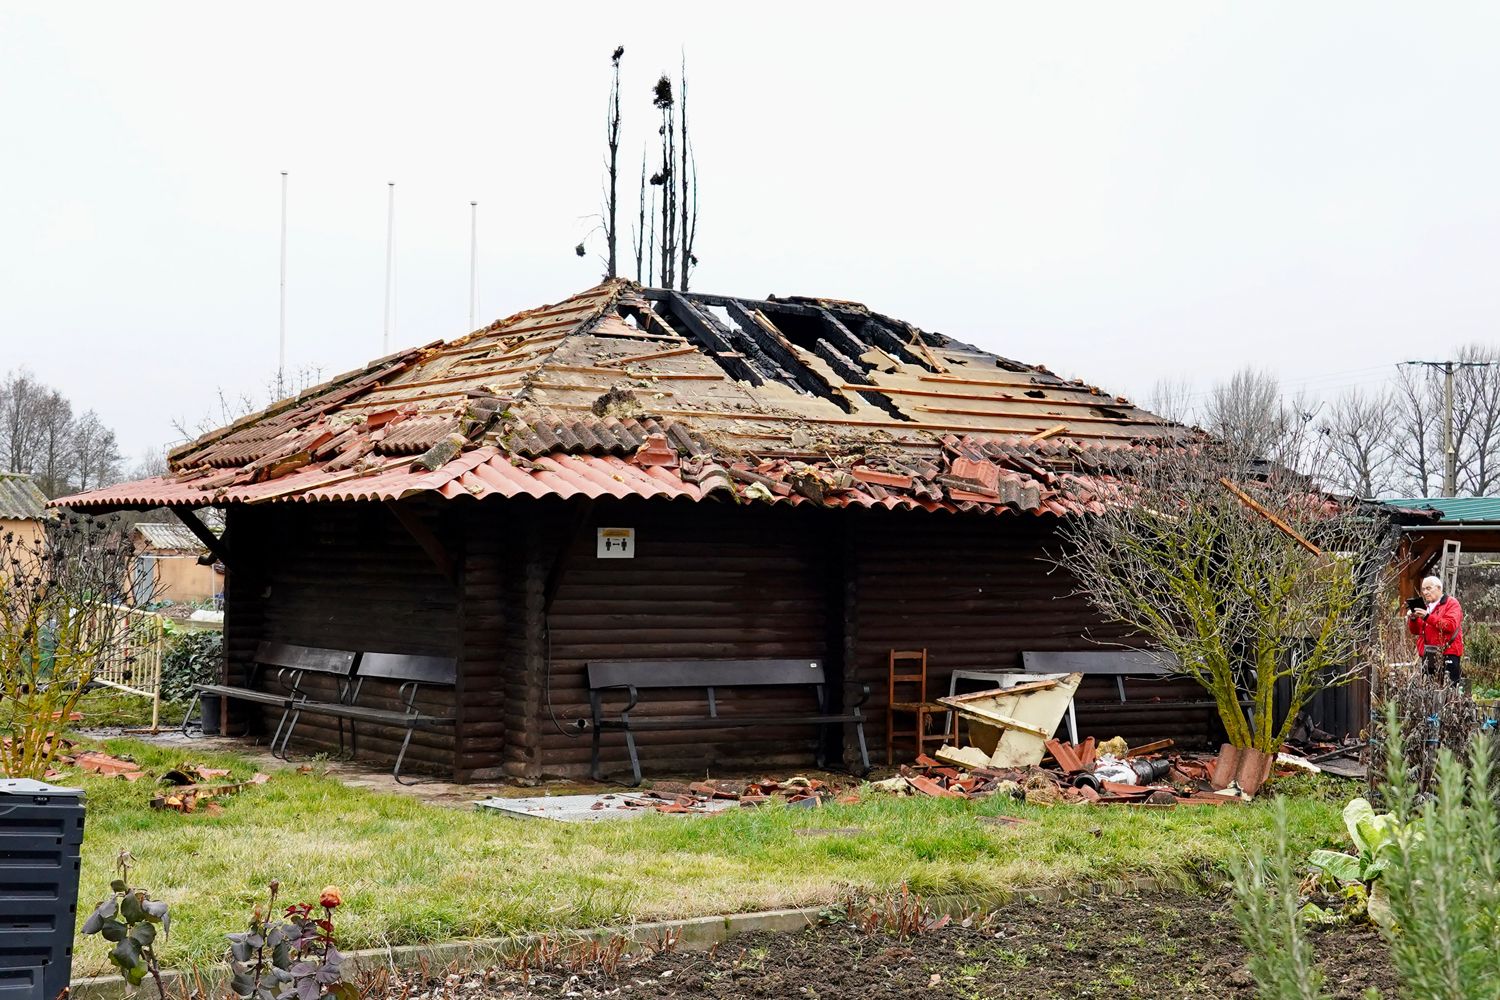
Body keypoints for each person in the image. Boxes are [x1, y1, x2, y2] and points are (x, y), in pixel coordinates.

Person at [1407, 575, 1464, 684]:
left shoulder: (1452, 603)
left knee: (1450, 688)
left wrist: (1427, 617)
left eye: (1428, 588)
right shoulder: (1426, 607)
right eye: (1423, 589)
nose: (1425, 592)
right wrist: (1413, 619)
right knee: (1429, 688)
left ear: (1439, 588)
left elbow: (1450, 625)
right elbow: (1416, 631)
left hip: (1448, 652)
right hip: (1428, 654)